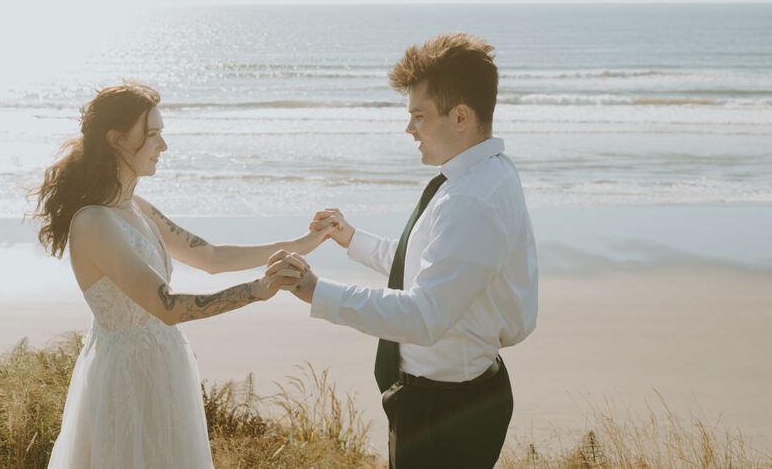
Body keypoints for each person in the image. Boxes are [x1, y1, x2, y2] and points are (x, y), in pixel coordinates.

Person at [267, 33, 539, 468]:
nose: (408, 128)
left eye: (418, 115)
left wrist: (317, 290)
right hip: (454, 397)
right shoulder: (487, 173)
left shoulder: (471, 201)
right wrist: (352, 238)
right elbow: (427, 264)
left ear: (461, 116)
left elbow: (423, 315)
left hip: (447, 413)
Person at [33, 83, 330, 469]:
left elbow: (210, 256)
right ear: (117, 139)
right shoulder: (94, 221)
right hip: (126, 379)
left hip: (163, 365)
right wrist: (257, 290)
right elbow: (167, 307)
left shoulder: (136, 206)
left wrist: (303, 243)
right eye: (153, 134)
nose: (164, 146)